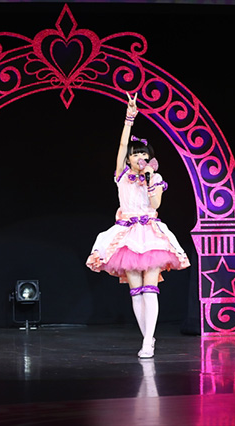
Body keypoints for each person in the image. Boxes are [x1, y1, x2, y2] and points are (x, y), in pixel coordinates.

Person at [86, 93, 190, 358]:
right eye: (135, 154)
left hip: (150, 233)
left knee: (151, 286)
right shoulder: (121, 175)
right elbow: (122, 144)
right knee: (136, 289)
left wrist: (151, 180)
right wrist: (129, 118)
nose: (139, 157)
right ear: (129, 160)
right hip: (127, 234)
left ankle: (147, 342)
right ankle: (147, 338)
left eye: (144, 153)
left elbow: (155, 205)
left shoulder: (155, 177)